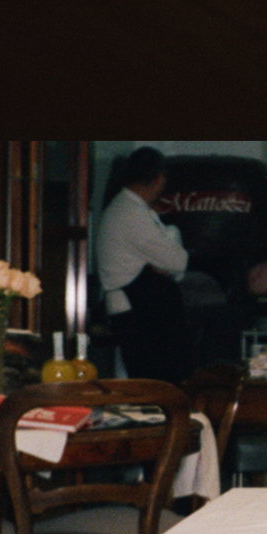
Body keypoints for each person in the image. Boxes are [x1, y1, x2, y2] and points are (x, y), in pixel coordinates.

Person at [96, 147, 194, 384]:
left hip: (139, 311)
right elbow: (178, 261)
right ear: (158, 178)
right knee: (157, 385)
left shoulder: (126, 209)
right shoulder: (131, 214)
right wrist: (162, 267)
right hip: (141, 316)